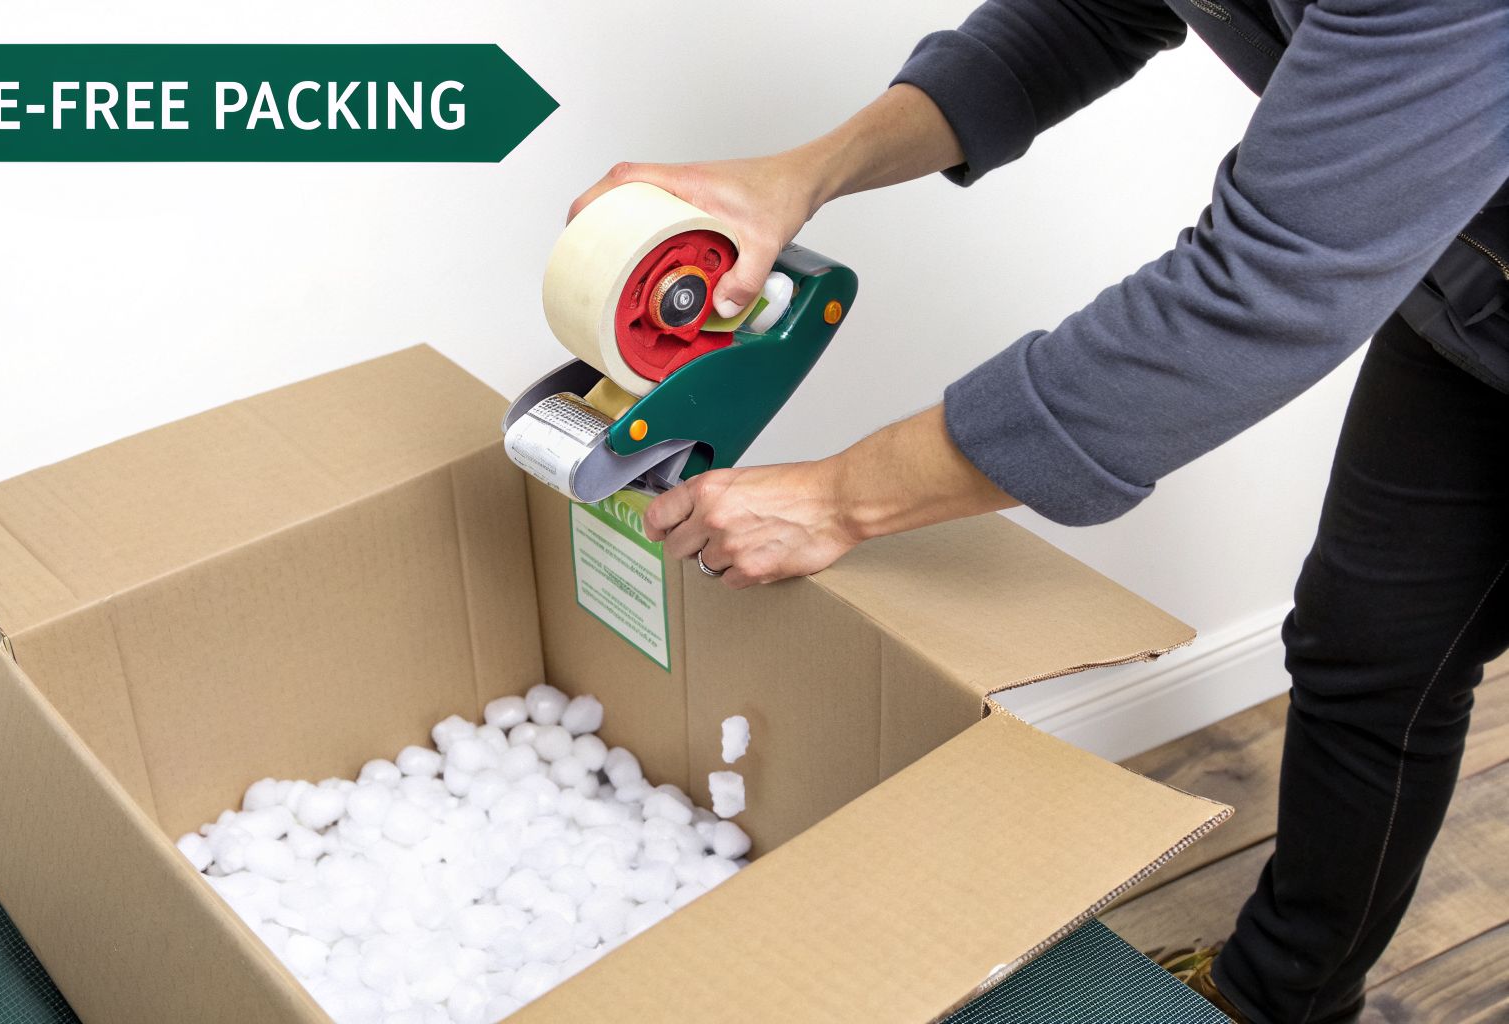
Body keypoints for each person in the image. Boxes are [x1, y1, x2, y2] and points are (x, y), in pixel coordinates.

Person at [569, 1, 1509, 1022]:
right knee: (1369, 651)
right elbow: (1086, 13)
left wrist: (838, 497)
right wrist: (805, 172)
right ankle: (1278, 999)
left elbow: (1246, 298)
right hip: (1475, 299)